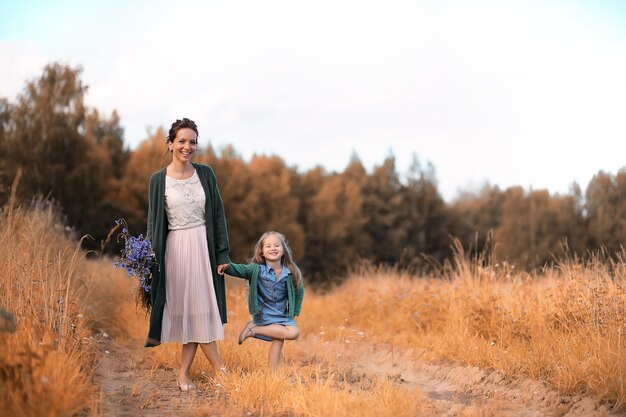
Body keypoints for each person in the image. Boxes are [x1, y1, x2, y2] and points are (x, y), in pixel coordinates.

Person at [145, 117, 231, 391]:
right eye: (181, 141)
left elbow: (218, 216)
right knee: (190, 315)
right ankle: (217, 372)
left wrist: (222, 254)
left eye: (192, 142)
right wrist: (147, 262)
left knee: (201, 312)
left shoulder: (206, 174)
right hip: (176, 252)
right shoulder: (158, 181)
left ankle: (189, 374)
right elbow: (153, 223)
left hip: (202, 249)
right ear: (170, 144)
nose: (187, 146)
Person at [224, 231, 304, 370]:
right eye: (268, 246)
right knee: (292, 333)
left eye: (276, 245)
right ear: (261, 252)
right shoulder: (256, 270)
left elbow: (299, 289)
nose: (273, 248)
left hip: (282, 314)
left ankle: (272, 375)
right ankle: (255, 328)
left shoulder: (291, 271)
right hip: (264, 313)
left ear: (284, 250)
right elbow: (239, 269)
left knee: (281, 339)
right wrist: (225, 265)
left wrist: (295, 309)